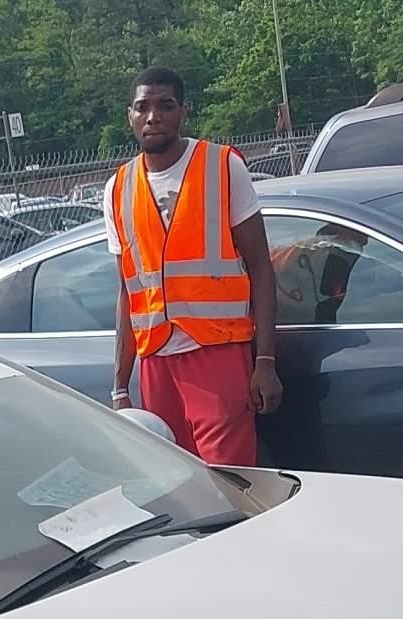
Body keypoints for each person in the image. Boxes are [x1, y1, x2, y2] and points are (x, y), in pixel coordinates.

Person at [104, 67, 281, 462]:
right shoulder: (118, 187)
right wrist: (120, 385)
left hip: (216, 353)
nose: (153, 117)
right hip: (155, 362)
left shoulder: (221, 166)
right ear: (129, 115)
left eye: (165, 106)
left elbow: (261, 267)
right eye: (142, 107)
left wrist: (265, 361)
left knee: (228, 477)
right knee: (177, 482)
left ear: (184, 110)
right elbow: (126, 292)